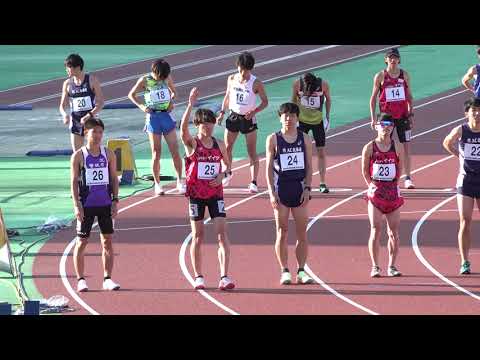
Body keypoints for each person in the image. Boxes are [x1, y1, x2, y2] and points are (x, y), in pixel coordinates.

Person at [181, 87, 235, 291]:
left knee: (222, 234)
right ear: (198, 125)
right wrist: (189, 105)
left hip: (215, 194)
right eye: (205, 124)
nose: (209, 127)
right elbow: (182, 131)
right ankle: (199, 276)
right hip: (196, 195)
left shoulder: (219, 145)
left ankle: (224, 276)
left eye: (211, 124)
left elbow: (228, 167)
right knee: (198, 235)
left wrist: (222, 174)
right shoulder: (192, 144)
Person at [265, 102, 314, 285]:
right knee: (282, 231)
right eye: (285, 115)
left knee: (302, 233)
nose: (289, 119)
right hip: (281, 190)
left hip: (299, 189)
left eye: (292, 115)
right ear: (280, 118)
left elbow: (309, 166)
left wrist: (308, 188)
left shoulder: (305, 138)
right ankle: (284, 270)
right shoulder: (274, 139)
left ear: (297, 118)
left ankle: (301, 271)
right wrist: (271, 192)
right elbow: (268, 168)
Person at [70, 117, 120, 292]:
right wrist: (77, 205)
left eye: (100, 132)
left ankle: (107, 278)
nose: (98, 135)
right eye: (94, 132)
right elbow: (74, 182)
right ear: (86, 133)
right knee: (82, 242)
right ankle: (81, 279)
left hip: (105, 204)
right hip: (86, 205)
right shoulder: (79, 156)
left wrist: (115, 201)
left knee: (107, 241)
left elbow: (114, 178)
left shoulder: (109, 154)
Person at [128, 58, 186, 196]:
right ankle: (158, 184)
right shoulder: (144, 80)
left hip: (166, 116)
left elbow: (174, 92)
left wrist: (172, 101)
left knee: (175, 150)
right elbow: (131, 95)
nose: (162, 79)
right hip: (153, 118)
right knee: (156, 152)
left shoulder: (167, 78)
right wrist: (142, 106)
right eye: (160, 77)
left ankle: (179, 181)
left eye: (164, 77)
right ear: (155, 71)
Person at [216, 51, 268, 193]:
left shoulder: (256, 83)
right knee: (227, 149)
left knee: (251, 152)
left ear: (251, 69)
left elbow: (265, 102)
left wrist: (254, 112)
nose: (243, 72)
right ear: (237, 66)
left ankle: (253, 182)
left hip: (248, 119)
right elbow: (227, 97)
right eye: (241, 68)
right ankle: (228, 171)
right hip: (233, 116)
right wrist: (221, 113)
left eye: (246, 70)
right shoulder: (232, 78)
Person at [361, 114, 405, 278]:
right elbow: (365, 170)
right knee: (375, 229)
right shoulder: (369, 147)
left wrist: (394, 183)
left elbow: (399, 167)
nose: (386, 128)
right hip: (376, 192)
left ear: (392, 127)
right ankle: (375, 266)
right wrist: (371, 185)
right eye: (383, 124)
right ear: (376, 126)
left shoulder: (397, 146)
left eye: (389, 125)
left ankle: (392, 266)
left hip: (392, 191)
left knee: (393, 232)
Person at [443, 97, 480, 275]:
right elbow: (446, 142)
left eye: (479, 110)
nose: (477, 113)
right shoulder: (462, 130)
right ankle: (465, 261)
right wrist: (459, 156)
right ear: (467, 113)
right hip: (466, 180)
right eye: (474, 110)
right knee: (465, 221)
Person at [370, 47, 415, 189]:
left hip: (402, 116)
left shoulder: (404, 75)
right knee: (383, 146)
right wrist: (373, 118)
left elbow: (409, 97)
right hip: (386, 117)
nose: (393, 60)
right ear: (386, 60)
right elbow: (372, 99)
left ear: (399, 59)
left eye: (395, 57)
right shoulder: (380, 76)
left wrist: (411, 113)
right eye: (390, 58)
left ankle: (407, 178)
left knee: (406, 146)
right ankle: (382, 176)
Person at [292, 72, 332, 193]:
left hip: (317, 122)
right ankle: (300, 180)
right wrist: (295, 119)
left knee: (321, 151)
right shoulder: (297, 84)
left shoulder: (323, 85)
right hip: (302, 121)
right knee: (300, 151)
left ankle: (322, 183)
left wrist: (327, 117)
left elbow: (328, 100)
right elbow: (293, 101)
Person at [59, 54, 104, 152]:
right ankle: (79, 168)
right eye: (66, 68)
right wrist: (64, 115)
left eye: (69, 68)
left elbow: (100, 103)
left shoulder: (92, 80)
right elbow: (62, 106)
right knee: (77, 153)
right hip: (76, 122)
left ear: (78, 67)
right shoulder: (67, 83)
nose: (67, 70)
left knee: (93, 151)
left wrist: (89, 115)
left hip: (91, 121)